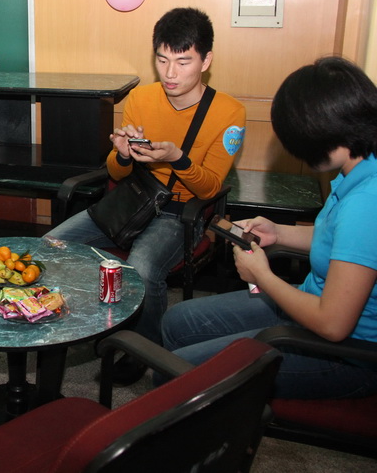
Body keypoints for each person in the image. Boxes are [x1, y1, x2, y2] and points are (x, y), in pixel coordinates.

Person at [44, 7, 246, 385]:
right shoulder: (141, 98)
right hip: (133, 201)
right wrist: (123, 154)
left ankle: (144, 347)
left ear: (206, 61)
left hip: (180, 212)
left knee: (143, 268)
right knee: (50, 245)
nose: (170, 73)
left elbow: (210, 188)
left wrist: (178, 158)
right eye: (162, 60)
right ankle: (85, 322)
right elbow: (117, 173)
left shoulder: (229, 113)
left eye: (183, 62)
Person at [161, 56, 377, 399]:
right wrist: (279, 233)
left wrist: (262, 276)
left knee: (176, 374)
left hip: (347, 355)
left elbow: (333, 325)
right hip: (308, 307)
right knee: (177, 322)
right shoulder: (361, 168)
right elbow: (343, 241)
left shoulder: (366, 202)